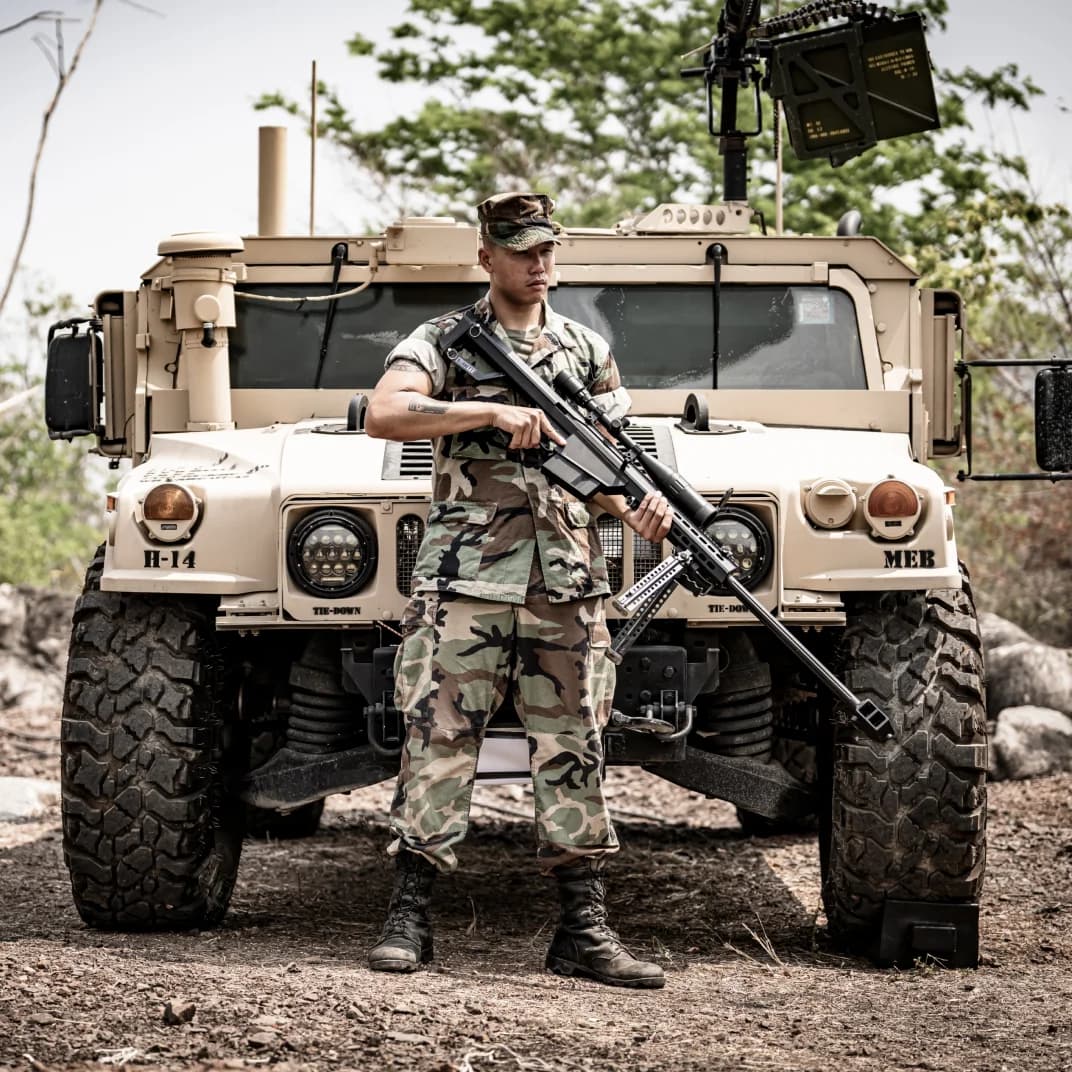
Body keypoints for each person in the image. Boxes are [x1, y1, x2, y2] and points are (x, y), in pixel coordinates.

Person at [363, 191, 672, 989]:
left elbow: (600, 466)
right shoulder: (442, 341)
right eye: (523, 251)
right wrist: (489, 415)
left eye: (548, 251)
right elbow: (384, 413)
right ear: (487, 256)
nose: (540, 265)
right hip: (465, 577)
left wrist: (634, 509)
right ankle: (409, 917)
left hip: (565, 584)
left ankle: (583, 930)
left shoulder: (583, 349)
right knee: (438, 741)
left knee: (574, 746)